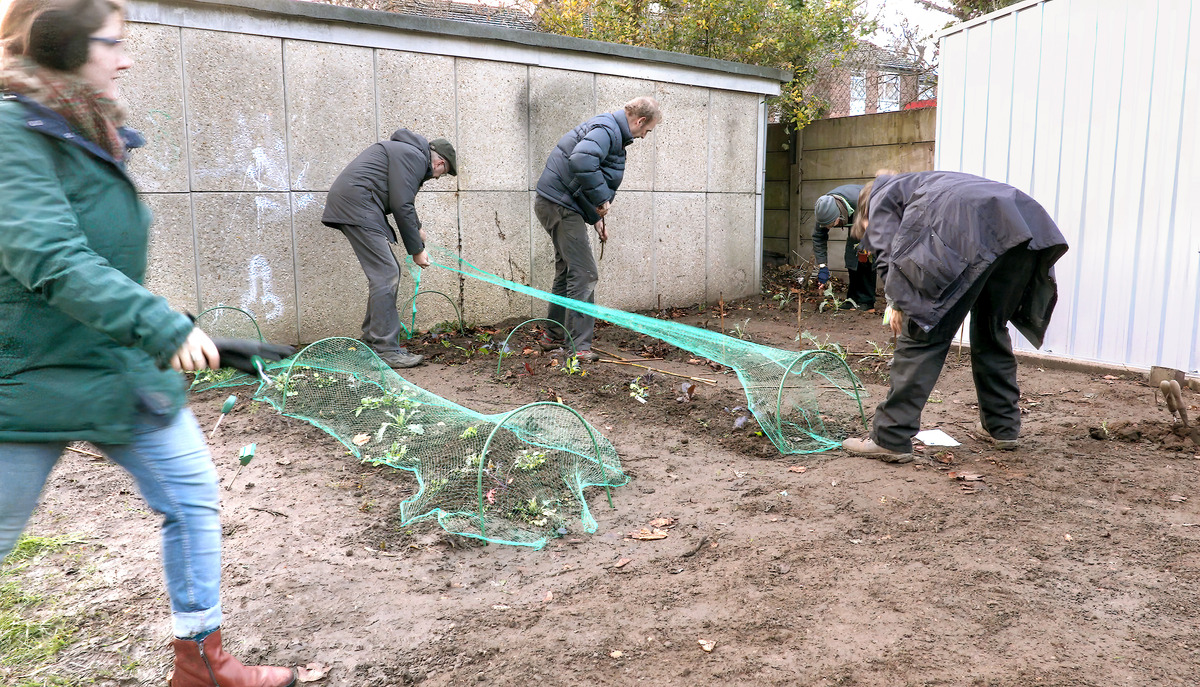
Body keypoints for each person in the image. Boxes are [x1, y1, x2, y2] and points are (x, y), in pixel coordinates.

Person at [0, 1, 297, 685]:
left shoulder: (81, 127)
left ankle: (202, 662)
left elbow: (101, 258)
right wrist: (163, 328)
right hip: (29, 373)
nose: (126, 57)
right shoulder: (15, 131)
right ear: (63, 43)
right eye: (114, 43)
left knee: (192, 496)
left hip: (111, 362)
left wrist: (194, 337)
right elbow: (52, 259)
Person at [841, 171, 1069, 463]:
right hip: (1025, 227)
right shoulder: (921, 185)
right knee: (991, 329)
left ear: (865, 212)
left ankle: (891, 436)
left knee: (923, 335)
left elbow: (887, 247)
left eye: (866, 229)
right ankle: (1002, 428)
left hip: (972, 231)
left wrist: (896, 301)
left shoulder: (882, 195)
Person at [534, 96, 661, 362]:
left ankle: (552, 335)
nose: (644, 136)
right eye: (647, 130)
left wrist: (596, 217)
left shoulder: (610, 130)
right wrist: (603, 200)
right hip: (560, 206)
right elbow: (581, 161)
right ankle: (578, 347)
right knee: (585, 272)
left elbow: (584, 178)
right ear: (640, 121)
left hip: (556, 202)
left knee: (568, 270)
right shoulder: (606, 130)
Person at [322, 129, 457, 369]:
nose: (436, 178)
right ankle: (385, 349)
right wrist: (416, 250)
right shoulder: (414, 156)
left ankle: (371, 343)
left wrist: (418, 230)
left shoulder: (406, 153)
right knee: (386, 273)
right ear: (439, 162)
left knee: (386, 271)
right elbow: (401, 203)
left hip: (357, 203)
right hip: (358, 205)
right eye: (441, 173)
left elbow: (402, 198)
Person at [812, 184, 876, 310]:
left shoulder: (861, 202)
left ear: (840, 215)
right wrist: (822, 266)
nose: (828, 228)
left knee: (865, 256)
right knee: (851, 256)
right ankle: (852, 299)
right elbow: (818, 238)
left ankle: (867, 301)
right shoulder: (823, 210)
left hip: (872, 216)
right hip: (855, 217)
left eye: (831, 224)